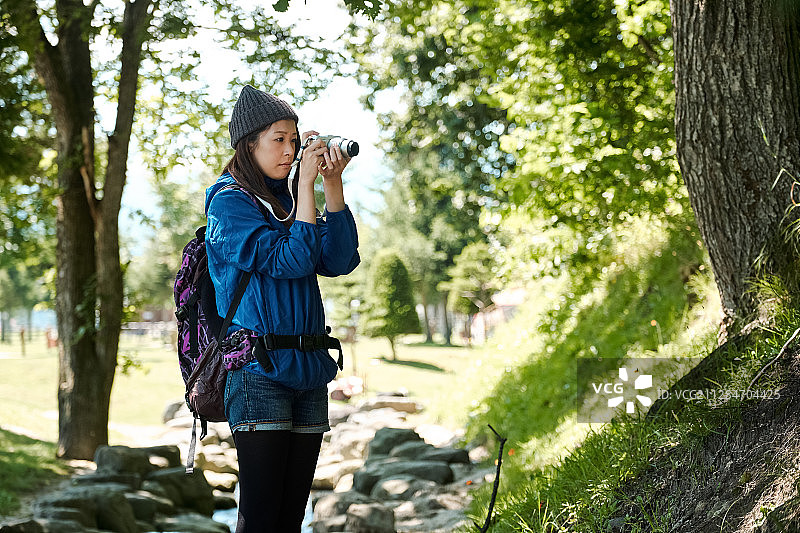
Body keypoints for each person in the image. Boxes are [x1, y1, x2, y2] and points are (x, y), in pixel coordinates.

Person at [204, 85, 361, 532]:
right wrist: (306, 186)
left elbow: (339, 259)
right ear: (248, 144)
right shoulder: (229, 202)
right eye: (279, 139)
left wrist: (331, 182)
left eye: (295, 140)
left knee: (292, 518)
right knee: (261, 516)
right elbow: (289, 260)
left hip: (309, 371)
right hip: (258, 372)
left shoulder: (291, 200)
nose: (291, 150)